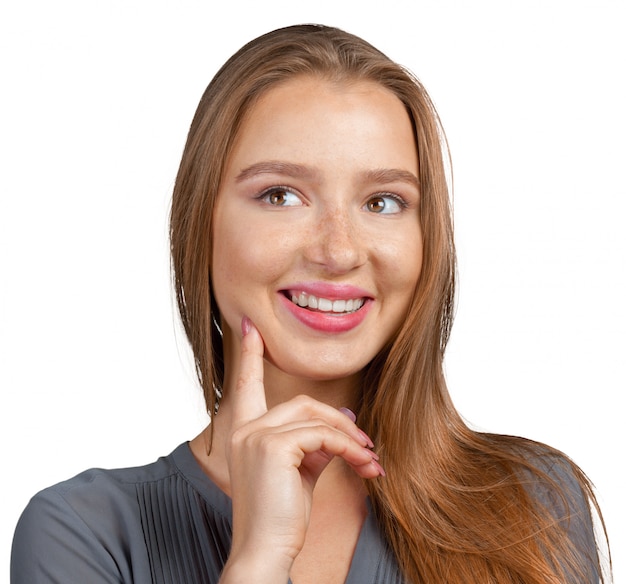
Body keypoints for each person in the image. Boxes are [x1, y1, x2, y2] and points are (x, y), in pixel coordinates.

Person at [11, 24, 611, 583]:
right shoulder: (83, 535)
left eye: (383, 202)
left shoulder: (533, 504)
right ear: (201, 222)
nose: (339, 250)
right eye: (280, 195)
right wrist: (258, 558)